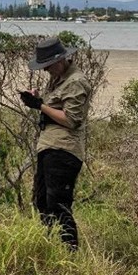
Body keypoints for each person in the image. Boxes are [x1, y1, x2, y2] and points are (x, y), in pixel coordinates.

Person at [20, 36, 92, 251]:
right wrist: (37, 100)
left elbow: (71, 120)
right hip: (49, 146)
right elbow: (56, 107)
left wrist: (40, 106)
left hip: (64, 150)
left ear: (60, 61)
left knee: (58, 205)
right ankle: (50, 248)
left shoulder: (76, 81)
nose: (45, 71)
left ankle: (70, 253)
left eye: (47, 66)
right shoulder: (59, 78)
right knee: (42, 201)